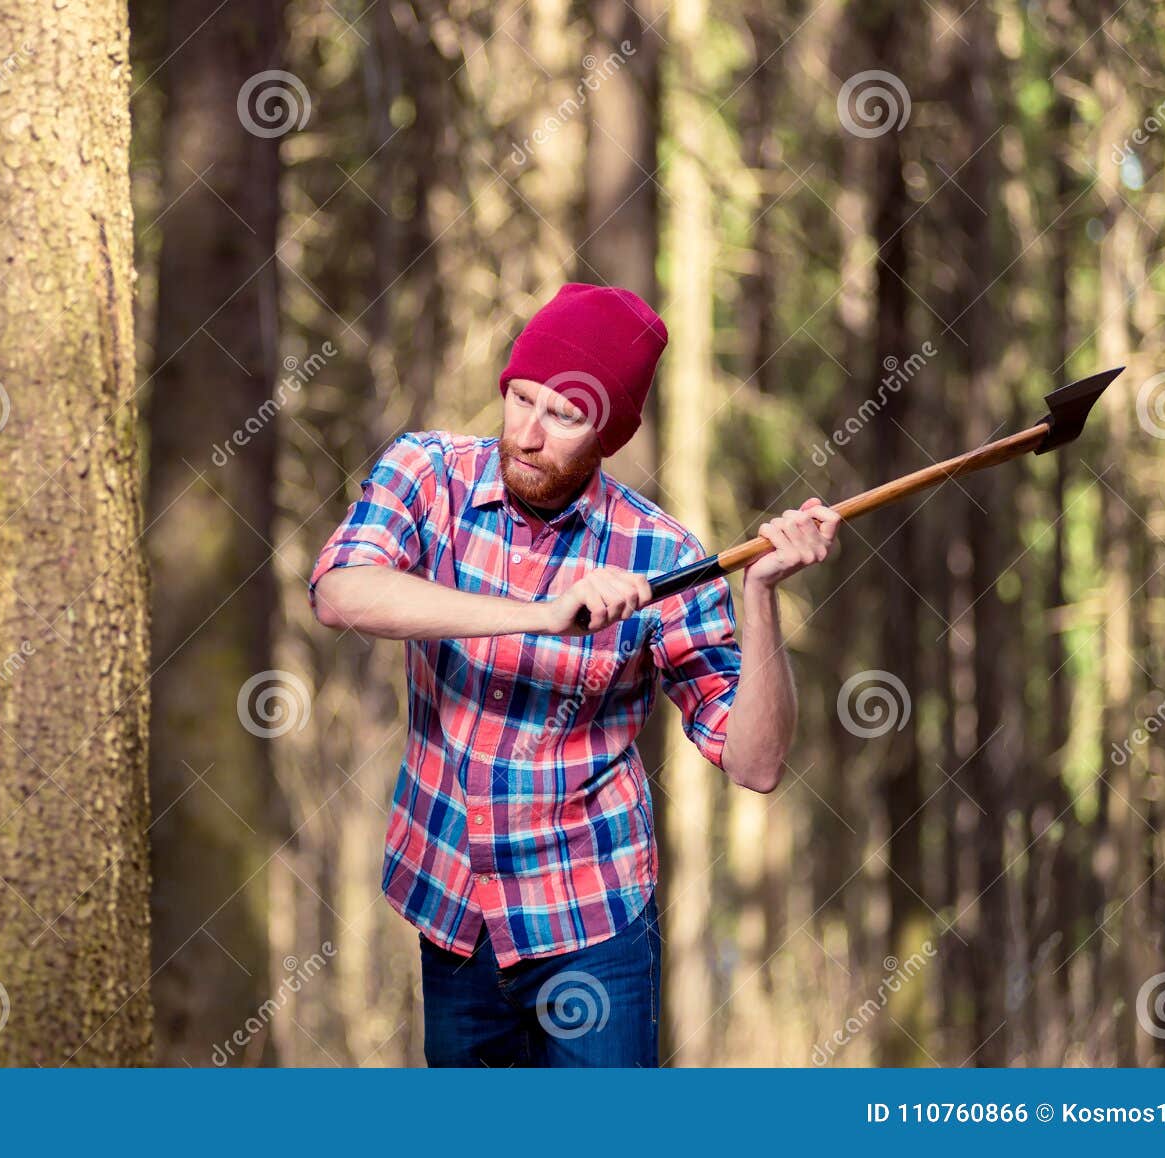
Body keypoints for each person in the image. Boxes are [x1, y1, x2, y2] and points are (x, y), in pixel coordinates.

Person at [306, 282, 841, 1066]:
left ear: (609, 435)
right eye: (521, 398)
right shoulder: (427, 473)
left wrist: (759, 598)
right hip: (453, 908)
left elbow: (755, 761)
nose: (526, 433)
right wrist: (540, 611)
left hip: (590, 921)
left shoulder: (662, 555)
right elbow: (338, 591)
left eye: (563, 415)